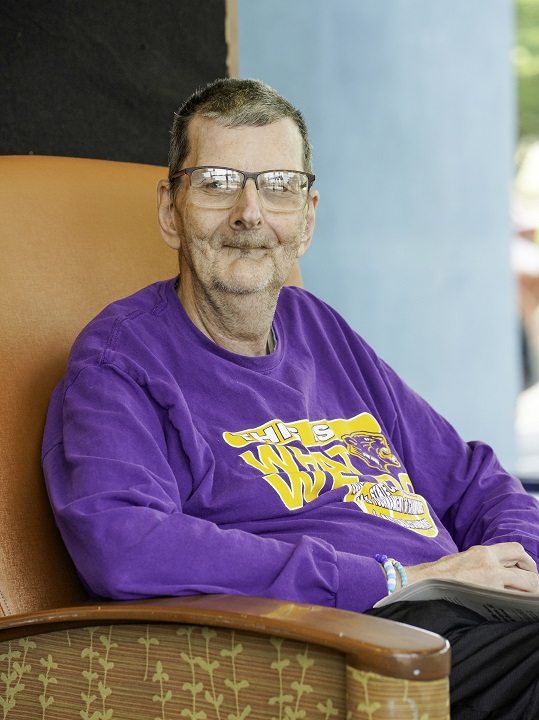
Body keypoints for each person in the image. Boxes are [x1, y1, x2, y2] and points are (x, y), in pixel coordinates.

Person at [42, 78, 539, 718]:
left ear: (305, 218)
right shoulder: (121, 361)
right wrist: (397, 579)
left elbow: (472, 478)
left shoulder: (317, 328)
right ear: (172, 208)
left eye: (278, 186)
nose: (250, 212)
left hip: (469, 620)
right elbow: (124, 545)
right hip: (331, 651)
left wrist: (519, 562)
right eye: (219, 182)